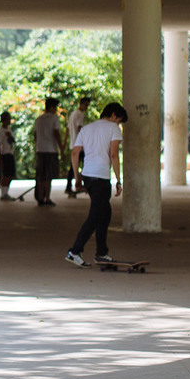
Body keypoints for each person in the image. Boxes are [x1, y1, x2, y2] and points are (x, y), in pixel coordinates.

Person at [64, 101, 127, 266]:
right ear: (113, 115)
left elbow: (75, 153)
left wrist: (77, 177)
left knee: (105, 213)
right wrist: (119, 180)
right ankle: (75, 251)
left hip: (88, 176)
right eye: (119, 120)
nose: (119, 123)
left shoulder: (87, 129)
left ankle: (102, 252)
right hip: (101, 177)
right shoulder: (113, 128)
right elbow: (113, 155)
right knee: (96, 215)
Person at [33, 97, 64, 206]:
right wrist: (61, 149)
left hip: (40, 150)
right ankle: (47, 198)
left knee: (41, 175)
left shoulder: (38, 119)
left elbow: (35, 135)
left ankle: (40, 198)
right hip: (51, 150)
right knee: (48, 176)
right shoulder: (54, 118)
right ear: (51, 107)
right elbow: (57, 134)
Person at [64, 95, 90, 198]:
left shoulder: (72, 114)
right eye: (85, 105)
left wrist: (65, 142)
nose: (86, 107)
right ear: (81, 104)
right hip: (79, 145)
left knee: (73, 166)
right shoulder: (80, 114)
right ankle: (84, 184)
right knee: (85, 164)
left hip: (73, 144)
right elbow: (80, 128)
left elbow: (67, 129)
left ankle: (69, 186)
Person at [0, 110, 17, 201]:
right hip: (5, 154)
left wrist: (10, 136)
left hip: (10, 153)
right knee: (6, 174)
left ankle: (5, 192)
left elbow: (13, 141)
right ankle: (3, 194)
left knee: (11, 174)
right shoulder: (0, 131)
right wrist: (0, 157)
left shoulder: (8, 130)